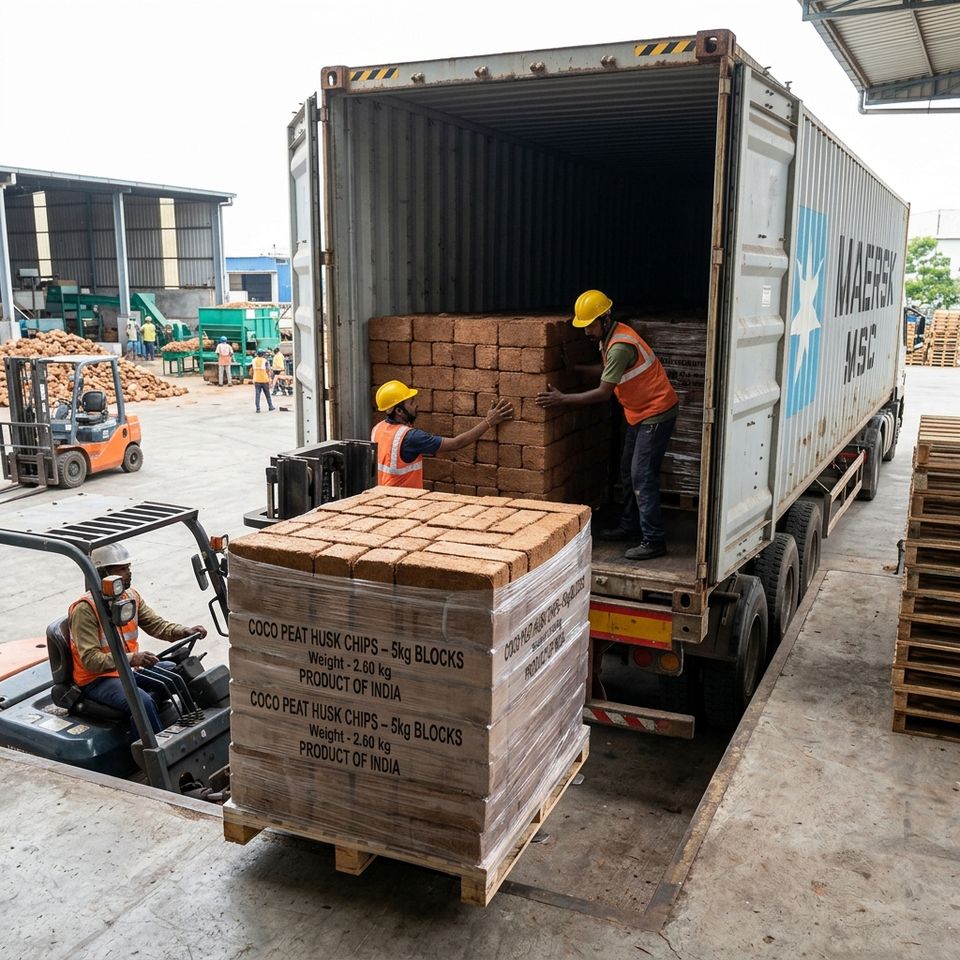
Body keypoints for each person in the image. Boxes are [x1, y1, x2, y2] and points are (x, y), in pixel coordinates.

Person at [535, 289, 678, 561]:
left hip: (656, 412)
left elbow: (603, 392)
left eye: (590, 325)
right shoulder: (610, 337)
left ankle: (654, 540)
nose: (587, 331)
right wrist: (576, 370)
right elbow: (608, 371)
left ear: (605, 318)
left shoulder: (621, 344)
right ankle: (630, 526)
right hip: (639, 412)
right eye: (584, 326)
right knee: (628, 471)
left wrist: (562, 399)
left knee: (641, 476)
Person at [68, 543, 206, 736]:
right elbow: (91, 660)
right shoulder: (85, 610)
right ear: (103, 573)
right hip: (99, 679)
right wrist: (133, 658)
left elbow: (156, 625)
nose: (129, 573)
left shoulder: (130, 597)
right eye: (122, 569)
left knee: (180, 673)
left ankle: (198, 730)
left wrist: (184, 631)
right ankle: (155, 750)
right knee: (142, 702)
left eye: (128, 567)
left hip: (130, 669)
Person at [372, 379, 513, 488]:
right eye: (411, 402)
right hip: (405, 504)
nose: (416, 405)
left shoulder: (377, 429)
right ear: (399, 411)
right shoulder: (411, 438)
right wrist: (488, 421)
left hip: (384, 500)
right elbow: (457, 443)